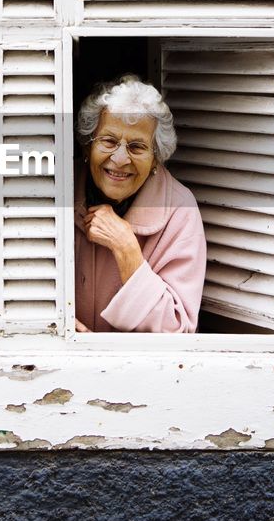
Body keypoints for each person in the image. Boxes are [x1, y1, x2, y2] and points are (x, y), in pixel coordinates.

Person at [74, 75, 207, 333]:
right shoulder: (54, 192)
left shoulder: (180, 211)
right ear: (87, 147)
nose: (120, 158)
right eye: (109, 141)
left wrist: (126, 248)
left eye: (137, 147)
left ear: (156, 159)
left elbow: (177, 331)